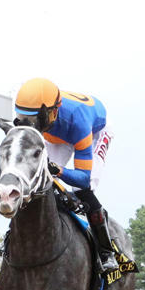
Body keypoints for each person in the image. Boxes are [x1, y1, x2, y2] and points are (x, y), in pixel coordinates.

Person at [12, 77, 118, 273]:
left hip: (93, 132)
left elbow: (83, 178)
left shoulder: (79, 123)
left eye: (35, 120)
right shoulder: (38, 114)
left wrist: (59, 170)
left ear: (52, 112)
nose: (31, 124)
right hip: (58, 132)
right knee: (40, 180)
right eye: (25, 118)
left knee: (83, 190)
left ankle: (106, 252)